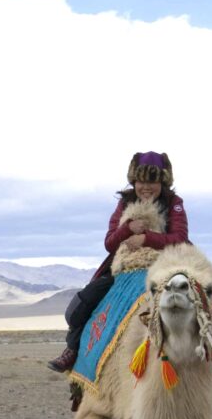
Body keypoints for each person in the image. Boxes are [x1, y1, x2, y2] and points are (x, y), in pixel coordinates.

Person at [47, 151, 188, 372]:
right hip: (123, 267)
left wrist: (146, 238)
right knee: (82, 305)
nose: (146, 187)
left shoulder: (173, 203)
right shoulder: (125, 203)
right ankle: (72, 351)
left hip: (163, 266)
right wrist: (127, 229)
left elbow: (180, 239)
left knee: (202, 300)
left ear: (163, 182)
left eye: (153, 181)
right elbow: (109, 243)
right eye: (142, 181)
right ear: (134, 181)